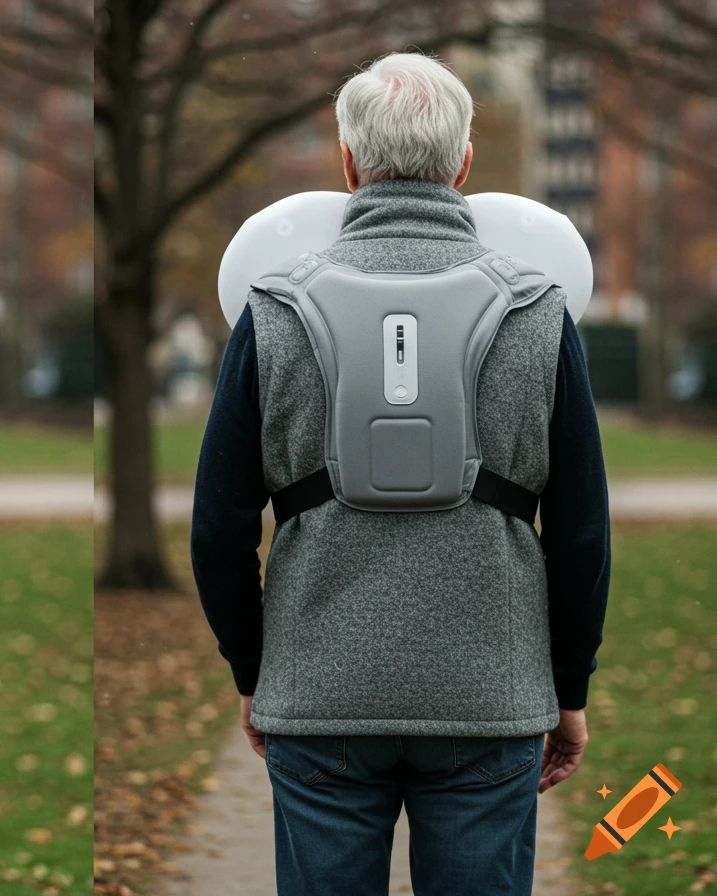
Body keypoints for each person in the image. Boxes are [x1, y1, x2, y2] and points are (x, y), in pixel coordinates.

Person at [190, 51, 611, 896]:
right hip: (490, 697)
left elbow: (218, 529)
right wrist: (568, 689)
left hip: (320, 696)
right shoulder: (540, 310)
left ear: (349, 162)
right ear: (463, 163)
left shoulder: (272, 310)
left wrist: (255, 673)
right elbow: (581, 531)